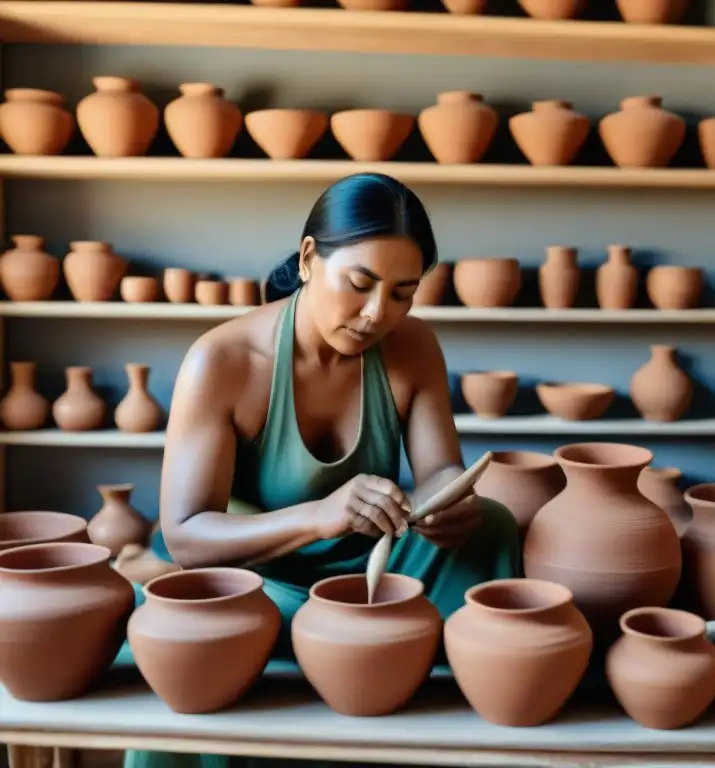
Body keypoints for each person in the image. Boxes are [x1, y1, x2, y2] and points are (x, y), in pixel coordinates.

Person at [123, 173, 521, 768]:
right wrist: (321, 515)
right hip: (253, 584)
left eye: (403, 293)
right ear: (310, 258)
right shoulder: (225, 361)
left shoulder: (414, 348)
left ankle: (462, 727)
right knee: (184, 631)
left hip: (370, 571)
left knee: (491, 522)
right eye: (360, 284)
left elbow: (440, 469)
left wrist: (446, 502)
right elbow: (185, 537)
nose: (375, 314)